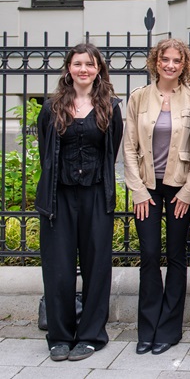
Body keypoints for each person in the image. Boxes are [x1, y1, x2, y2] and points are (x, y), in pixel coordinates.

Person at [35, 43, 123, 361]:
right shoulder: (52, 107)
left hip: (96, 195)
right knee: (58, 267)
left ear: (98, 69)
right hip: (58, 196)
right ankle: (59, 336)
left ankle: (90, 335)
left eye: (89, 64)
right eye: (77, 64)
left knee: (96, 266)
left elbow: (111, 150)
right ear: (68, 68)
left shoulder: (110, 107)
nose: (83, 69)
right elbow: (46, 147)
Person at [123, 39, 190, 355]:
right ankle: (148, 329)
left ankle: (170, 330)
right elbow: (129, 147)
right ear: (155, 62)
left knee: (176, 256)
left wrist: (189, 190)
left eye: (177, 61)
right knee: (149, 255)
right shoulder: (138, 98)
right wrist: (138, 191)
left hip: (179, 188)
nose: (170, 65)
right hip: (147, 189)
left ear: (185, 65)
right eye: (165, 59)